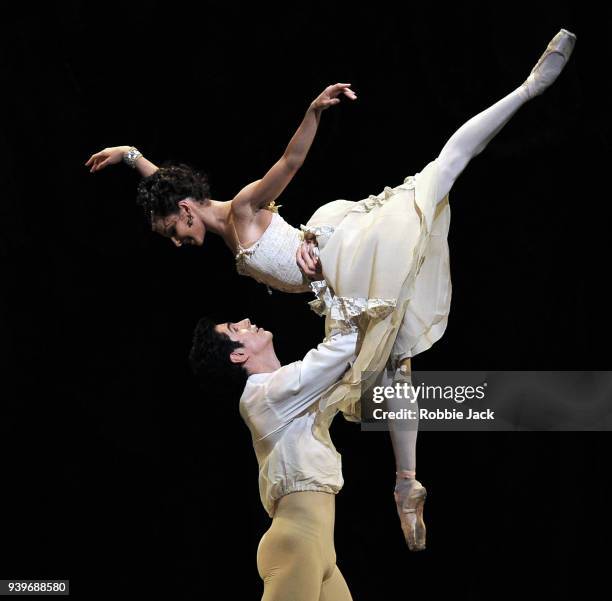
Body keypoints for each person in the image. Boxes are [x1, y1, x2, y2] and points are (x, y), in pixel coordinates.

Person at [85, 29, 576, 547]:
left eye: (174, 232)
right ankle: (406, 486)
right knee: (393, 369)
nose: (178, 244)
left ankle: (527, 89)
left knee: (439, 174)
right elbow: (170, 184)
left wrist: (313, 112)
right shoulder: (216, 224)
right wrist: (131, 155)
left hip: (340, 253)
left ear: (185, 212)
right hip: (334, 287)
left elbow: (290, 164)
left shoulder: (244, 209)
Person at [189, 316, 364, 599]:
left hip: (319, 549)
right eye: (236, 328)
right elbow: (346, 346)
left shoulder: (282, 393)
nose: (246, 320)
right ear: (238, 354)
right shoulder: (268, 395)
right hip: (297, 545)